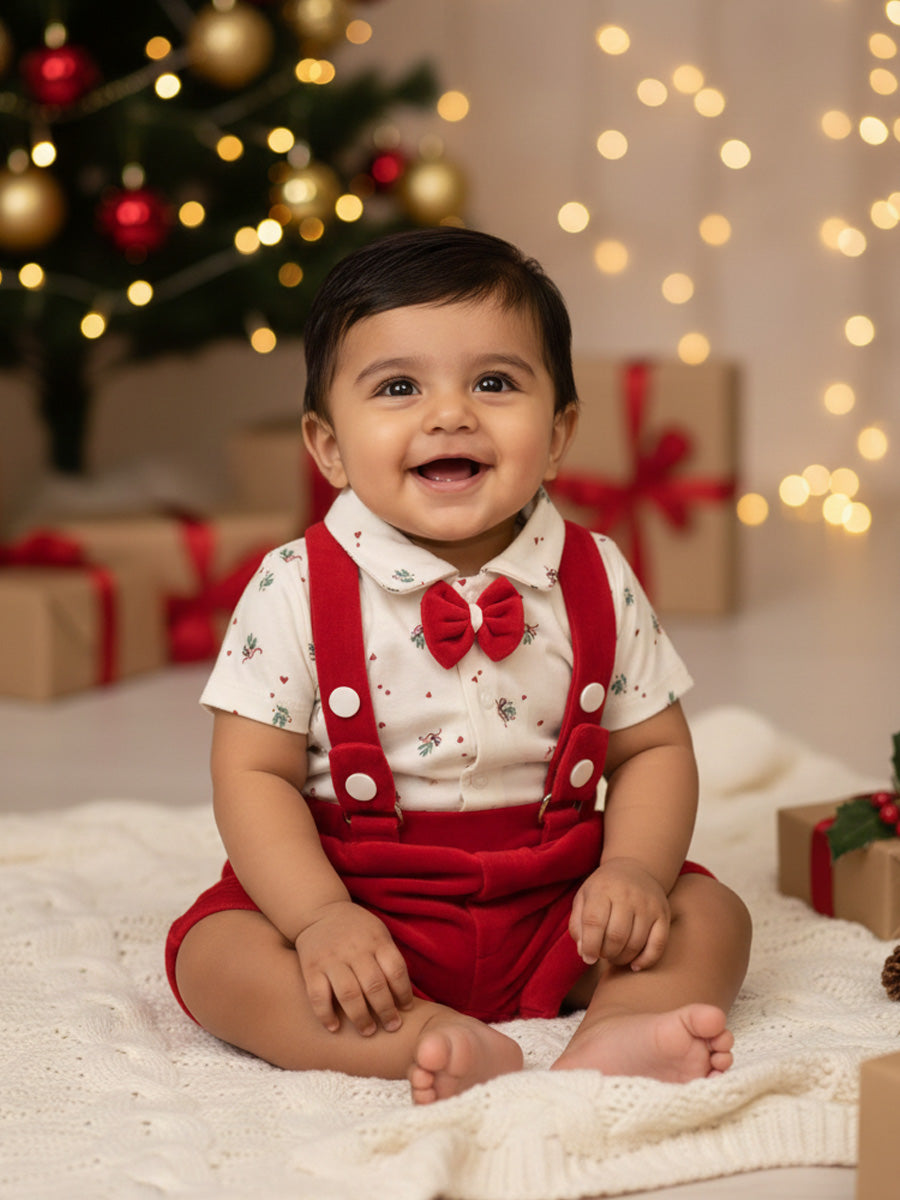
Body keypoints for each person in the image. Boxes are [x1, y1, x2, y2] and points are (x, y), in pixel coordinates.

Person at [166, 227, 752, 1105]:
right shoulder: (293, 586)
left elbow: (655, 751)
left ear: (558, 435)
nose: (451, 413)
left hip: (559, 895)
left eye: (494, 382)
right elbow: (252, 773)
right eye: (399, 387)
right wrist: (318, 917)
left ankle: (618, 1029)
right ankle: (423, 1036)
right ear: (327, 448)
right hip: (358, 896)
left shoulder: (596, 574)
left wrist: (633, 870)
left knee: (711, 918)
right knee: (216, 960)